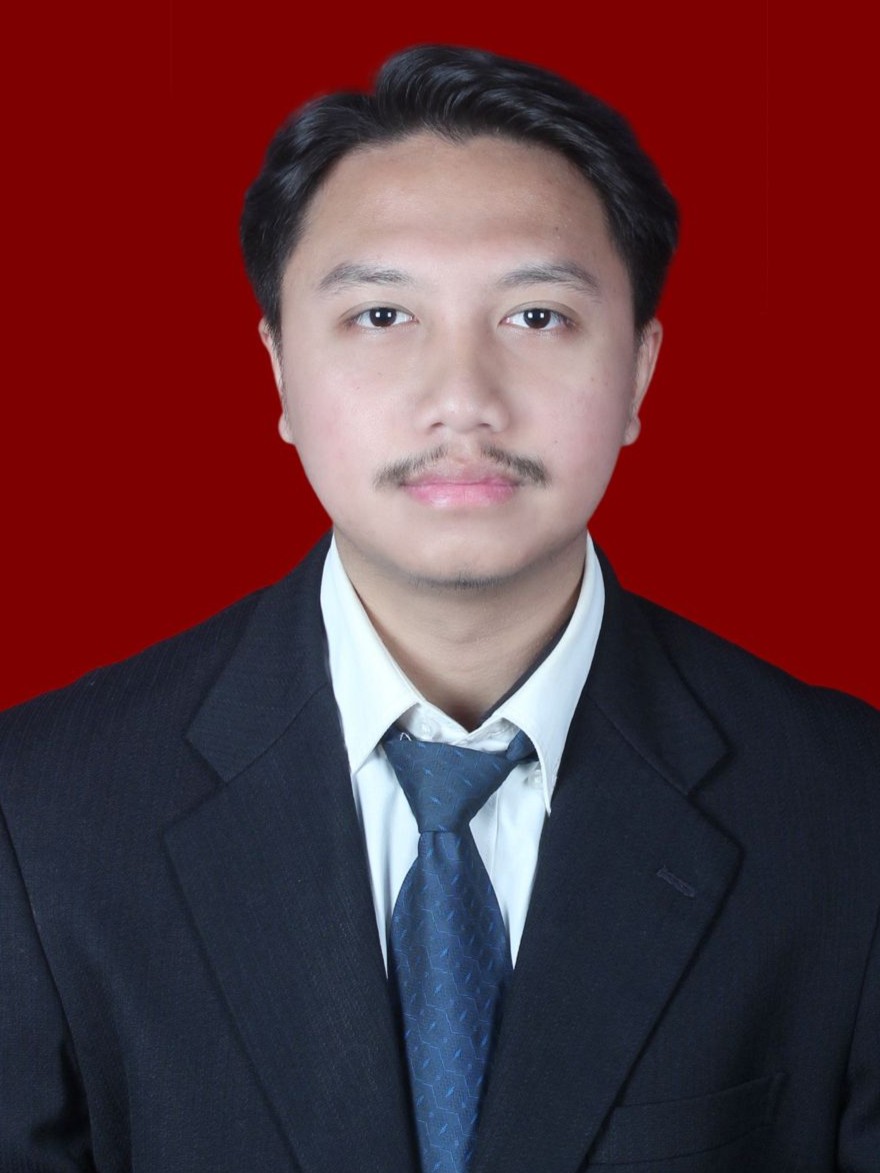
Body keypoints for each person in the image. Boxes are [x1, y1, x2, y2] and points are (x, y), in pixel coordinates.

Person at [1, 42, 877, 1173]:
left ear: (640, 372)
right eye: (381, 315)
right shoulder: (42, 814)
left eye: (537, 317)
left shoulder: (846, 809)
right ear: (277, 370)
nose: (463, 400)